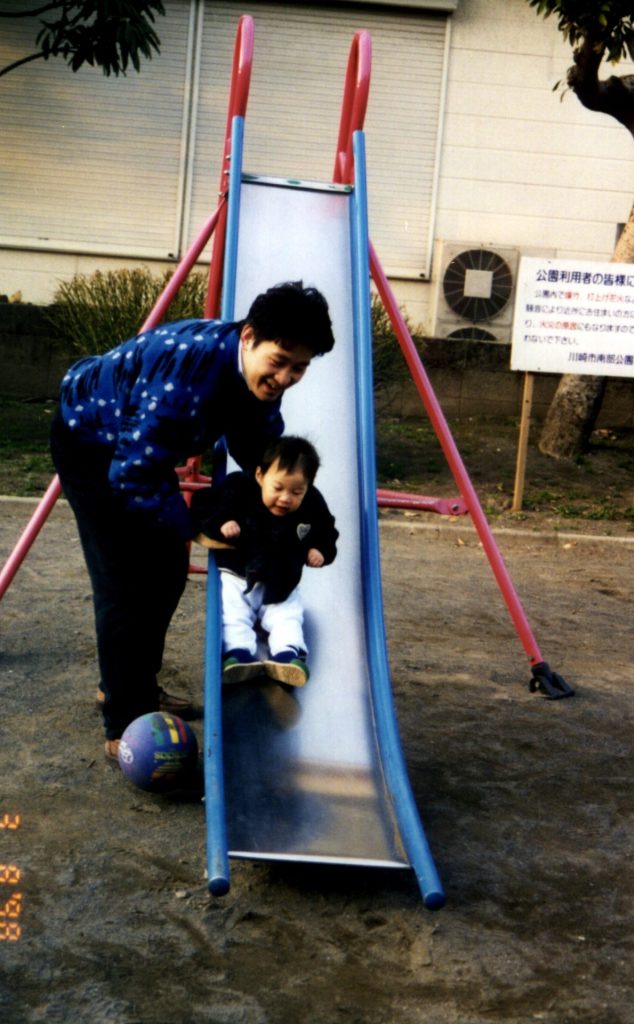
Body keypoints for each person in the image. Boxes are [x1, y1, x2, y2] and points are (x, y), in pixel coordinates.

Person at [50, 280, 335, 762]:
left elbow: (258, 447)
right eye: (280, 361)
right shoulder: (186, 375)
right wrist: (193, 527)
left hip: (141, 449)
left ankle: (131, 684)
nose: (285, 377)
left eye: (299, 368)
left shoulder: (258, 375)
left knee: (166, 573)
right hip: (92, 444)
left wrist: (290, 506)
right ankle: (125, 719)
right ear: (249, 337)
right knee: (124, 582)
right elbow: (133, 472)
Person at [191, 436, 338, 687]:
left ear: (308, 486)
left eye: (296, 492)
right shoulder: (239, 488)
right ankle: (238, 653)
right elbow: (204, 505)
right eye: (278, 488)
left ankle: (287, 654)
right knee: (233, 613)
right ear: (260, 475)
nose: (285, 498)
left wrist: (320, 550)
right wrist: (222, 523)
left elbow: (327, 530)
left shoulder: (313, 502)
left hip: (281, 579)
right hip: (238, 575)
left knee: (288, 616)